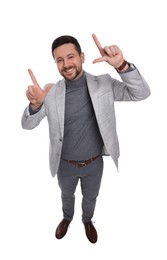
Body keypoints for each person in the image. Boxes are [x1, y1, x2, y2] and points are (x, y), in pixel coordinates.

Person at [21, 34, 151, 243]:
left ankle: (87, 220)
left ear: (82, 56)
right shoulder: (50, 92)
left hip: (94, 163)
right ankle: (67, 217)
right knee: (66, 196)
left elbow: (141, 93)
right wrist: (36, 106)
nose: (66, 64)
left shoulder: (104, 84)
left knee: (91, 197)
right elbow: (27, 125)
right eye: (59, 60)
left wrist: (121, 65)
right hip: (64, 164)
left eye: (70, 57)